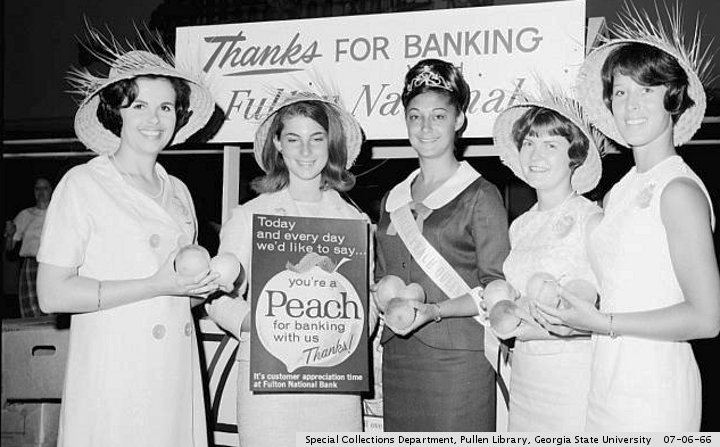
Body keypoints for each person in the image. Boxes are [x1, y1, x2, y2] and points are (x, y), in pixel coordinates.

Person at [535, 5, 720, 431]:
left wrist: (604, 323)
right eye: (620, 92)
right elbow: (620, 290)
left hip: (655, 388)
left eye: (647, 90)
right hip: (605, 381)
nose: (631, 105)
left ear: (672, 98)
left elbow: (706, 318)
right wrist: (572, 315)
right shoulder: (619, 191)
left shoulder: (678, 190)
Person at [36, 33, 219, 446]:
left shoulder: (179, 192)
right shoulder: (83, 184)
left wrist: (200, 289)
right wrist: (155, 284)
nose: (154, 119)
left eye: (165, 107)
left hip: (174, 372)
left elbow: (175, 296)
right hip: (114, 374)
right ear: (115, 112)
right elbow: (52, 294)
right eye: (139, 106)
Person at [205, 91, 372, 447]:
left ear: (331, 144)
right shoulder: (249, 216)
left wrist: (351, 332)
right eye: (294, 139)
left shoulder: (354, 221)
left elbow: (367, 303)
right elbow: (217, 299)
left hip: (335, 385)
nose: (306, 151)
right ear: (278, 144)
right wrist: (257, 322)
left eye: (317, 139)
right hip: (269, 388)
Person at [373, 58, 510, 431]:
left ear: (459, 119)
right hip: (400, 355)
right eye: (415, 116)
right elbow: (383, 275)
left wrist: (434, 311)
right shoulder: (393, 198)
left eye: (438, 116)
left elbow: (496, 287)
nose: (425, 127)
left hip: (458, 361)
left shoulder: (481, 195)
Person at [491, 83, 605, 431]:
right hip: (524, 377)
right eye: (529, 143)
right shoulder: (520, 226)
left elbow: (602, 320)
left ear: (575, 156)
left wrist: (528, 330)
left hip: (572, 381)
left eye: (550, 145)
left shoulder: (592, 219)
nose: (535, 155)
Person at [5, 177, 53, 317]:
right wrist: (10, 235)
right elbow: (10, 249)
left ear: (51, 190)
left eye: (45, 188)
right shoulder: (25, 215)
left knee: (52, 307)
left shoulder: (59, 212)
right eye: (38, 188)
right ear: (34, 192)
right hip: (30, 265)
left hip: (52, 264)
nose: (41, 192)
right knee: (31, 309)